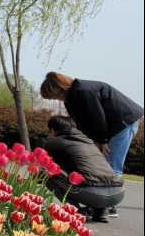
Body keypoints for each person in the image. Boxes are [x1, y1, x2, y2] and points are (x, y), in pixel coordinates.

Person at [40, 72, 143, 217]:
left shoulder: (83, 91)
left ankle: (108, 206)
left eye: (56, 95)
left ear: (60, 88)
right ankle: (100, 205)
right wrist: (93, 140)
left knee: (111, 163)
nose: (57, 99)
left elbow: (97, 116)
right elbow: (82, 123)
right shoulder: (71, 97)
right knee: (100, 162)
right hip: (110, 127)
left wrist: (102, 140)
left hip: (123, 123)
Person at [43, 115, 124, 223]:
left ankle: (77, 211)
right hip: (118, 193)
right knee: (90, 175)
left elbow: (42, 166)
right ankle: (101, 211)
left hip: (94, 194)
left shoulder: (55, 142)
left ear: (52, 131)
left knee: (45, 173)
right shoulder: (89, 141)